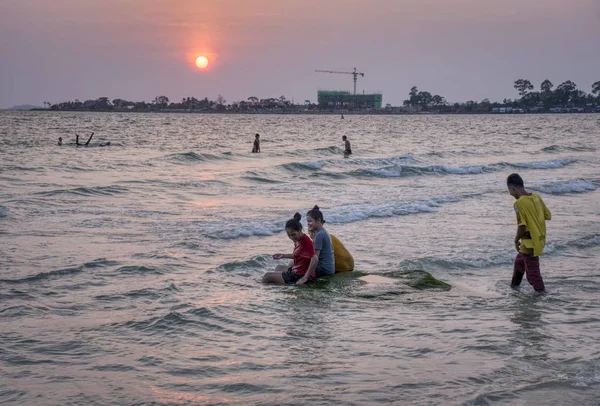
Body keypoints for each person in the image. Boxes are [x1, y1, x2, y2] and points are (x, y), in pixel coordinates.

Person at [507, 173, 551, 293]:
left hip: (529, 243)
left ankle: (541, 296)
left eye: (510, 191)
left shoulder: (519, 203)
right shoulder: (536, 197)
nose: (511, 194)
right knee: (519, 262)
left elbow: (522, 226)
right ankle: (514, 289)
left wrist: (516, 240)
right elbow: (548, 215)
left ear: (512, 188)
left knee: (533, 275)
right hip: (539, 239)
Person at [262, 213, 317, 285]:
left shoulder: (305, 241)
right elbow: (299, 255)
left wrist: (305, 277)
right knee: (278, 267)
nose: (291, 237)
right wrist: (283, 255)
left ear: (300, 230)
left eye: (293, 234)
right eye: (289, 235)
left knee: (267, 276)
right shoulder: (298, 240)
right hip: (296, 271)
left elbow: (315, 259)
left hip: (300, 275)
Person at [297, 205, 335, 284]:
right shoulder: (323, 232)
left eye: (310, 221)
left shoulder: (319, 235)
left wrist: (306, 277)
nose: (308, 224)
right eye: (307, 222)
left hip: (324, 269)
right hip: (329, 268)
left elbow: (315, 258)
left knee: (298, 265)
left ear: (318, 220)